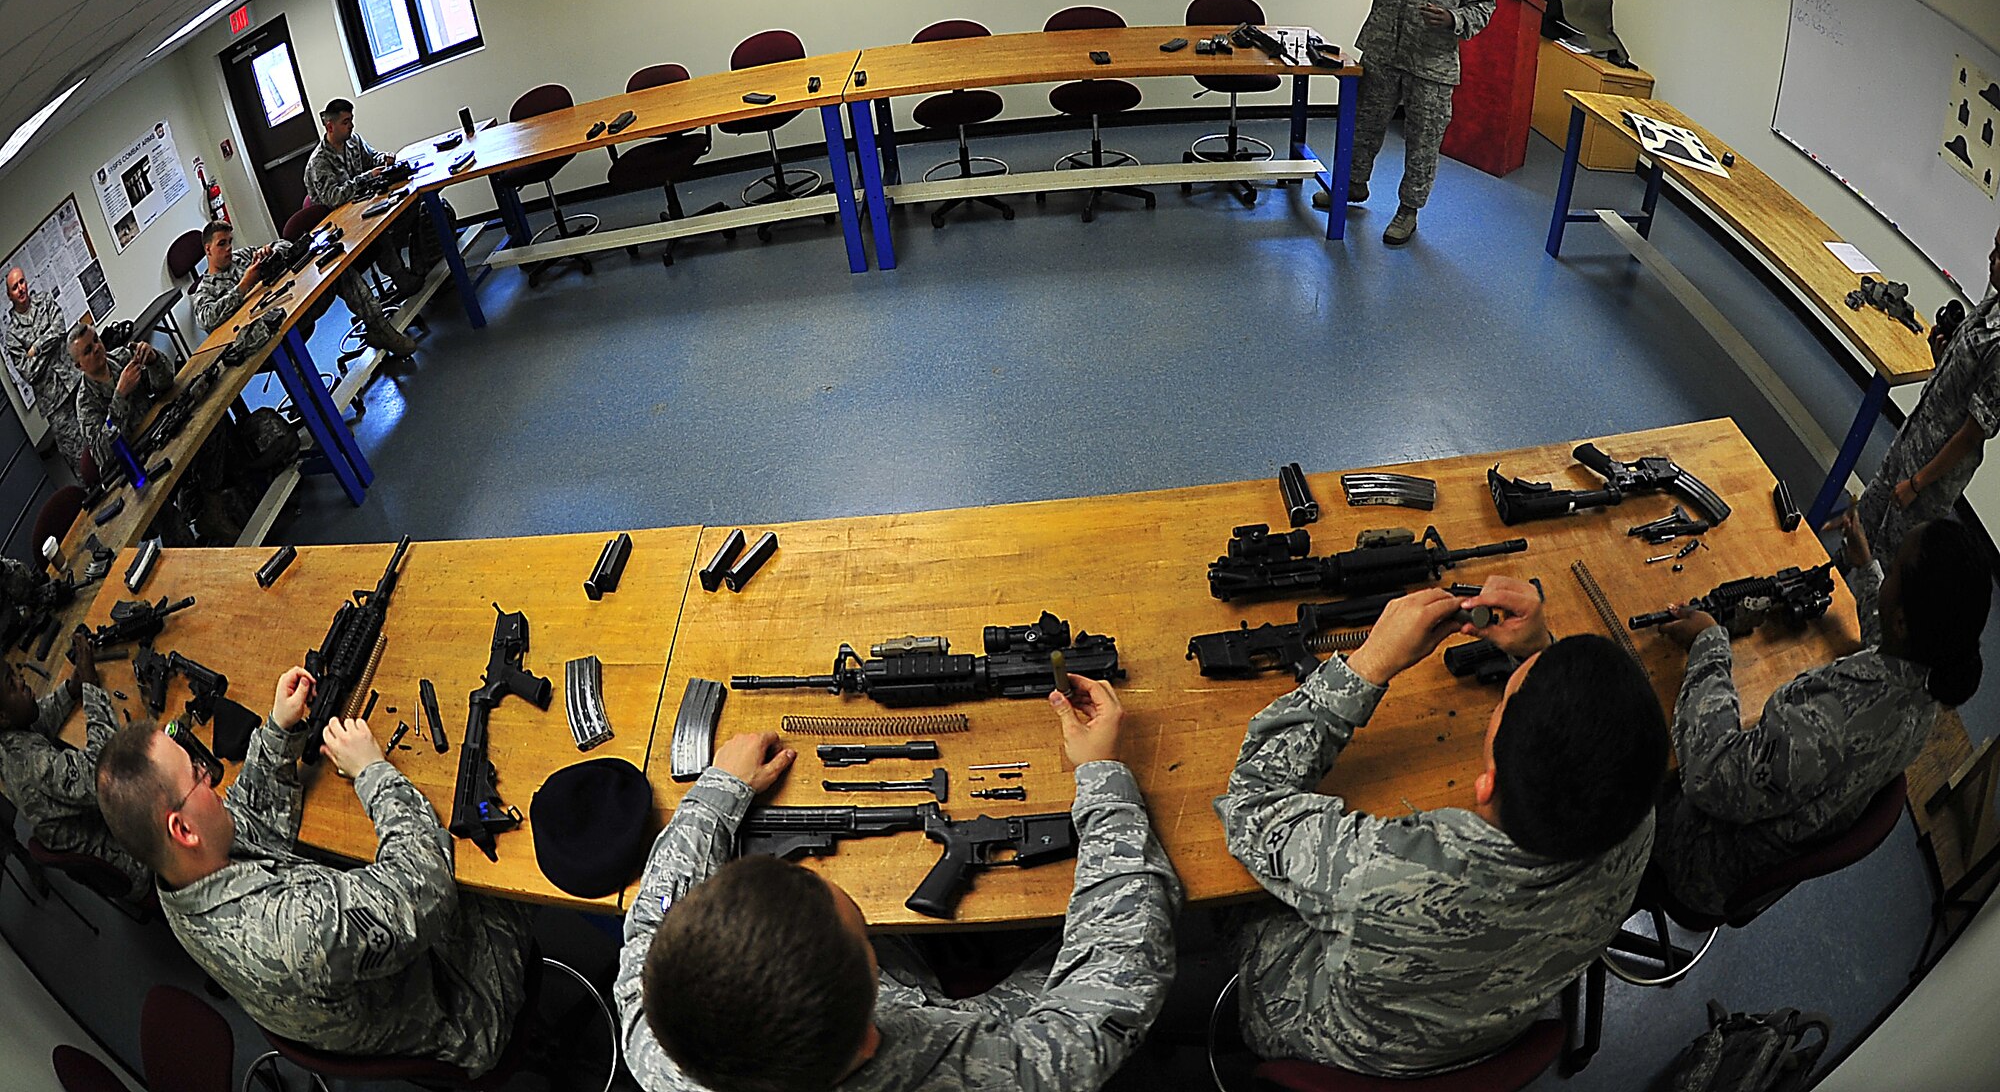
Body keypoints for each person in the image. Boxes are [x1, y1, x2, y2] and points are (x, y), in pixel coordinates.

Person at [619, 673, 1180, 1092]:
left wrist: (718, 790)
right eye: (865, 937)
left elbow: (651, 921)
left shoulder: (658, 1053)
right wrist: (1103, 779)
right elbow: (1118, 970)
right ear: (873, 1018)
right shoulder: (1003, 1072)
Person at [1217, 580, 1668, 1077]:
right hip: (1499, 1020)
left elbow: (1252, 800)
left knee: (1238, 905)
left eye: (1502, 704)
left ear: (1486, 784)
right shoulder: (1635, 817)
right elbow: (1598, 743)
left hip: (1349, 1042)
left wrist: (1370, 663)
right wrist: (1538, 651)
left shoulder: (1382, 872)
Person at [93, 666, 533, 1074]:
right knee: (503, 844)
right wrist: (372, 770)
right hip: (462, 1002)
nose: (210, 775)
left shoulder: (179, 877)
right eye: (197, 773)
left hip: (383, 978)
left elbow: (247, 822)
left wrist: (278, 731)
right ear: (184, 829)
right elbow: (425, 886)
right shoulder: (292, 930)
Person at [1648, 513, 1987, 915]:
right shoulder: (1928, 687)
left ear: (1902, 621)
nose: (1888, 569)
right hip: (1773, 824)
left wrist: (1708, 644)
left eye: (1894, 567)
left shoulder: (1827, 723)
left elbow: (1709, 773)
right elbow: (1887, 642)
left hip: (1699, 857)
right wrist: (1866, 568)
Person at [1313, 0, 1495, 247]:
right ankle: (1351, 186)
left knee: (1423, 139)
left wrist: (1453, 18)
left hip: (1432, 63)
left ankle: (1408, 211)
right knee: (1363, 127)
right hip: (1383, 50)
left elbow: (1484, 6)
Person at [1854, 225, 2000, 562]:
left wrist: (1917, 484)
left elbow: (1971, 436)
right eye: (1995, 246)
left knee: (1890, 559)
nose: (1991, 257)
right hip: (1912, 440)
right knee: (1862, 526)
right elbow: (1961, 385)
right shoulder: (1992, 305)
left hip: (1930, 478)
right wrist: (1941, 360)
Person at [0, 628, 148, 900]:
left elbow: (35, 719)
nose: (23, 681)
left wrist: (72, 688)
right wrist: (91, 687)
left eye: (16, 674)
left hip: (108, 824)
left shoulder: (9, 740)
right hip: (136, 857)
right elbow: (104, 770)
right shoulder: (32, 765)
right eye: (12, 684)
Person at [194, 215, 416, 358]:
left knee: (340, 272)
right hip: (266, 335)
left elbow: (284, 244)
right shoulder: (205, 289)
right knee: (282, 341)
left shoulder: (242, 257)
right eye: (221, 244)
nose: (228, 248)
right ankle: (315, 405)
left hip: (292, 308)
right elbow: (207, 319)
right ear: (208, 249)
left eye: (230, 242)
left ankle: (380, 329)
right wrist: (244, 285)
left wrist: (272, 251)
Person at [304, 97, 423, 297]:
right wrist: (367, 177)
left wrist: (384, 159)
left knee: (412, 203)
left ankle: (419, 264)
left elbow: (372, 158)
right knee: (378, 226)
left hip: (364, 205)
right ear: (330, 127)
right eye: (346, 122)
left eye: (351, 120)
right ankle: (399, 276)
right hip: (341, 224)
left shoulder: (353, 141)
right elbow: (334, 198)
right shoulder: (319, 162)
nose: (351, 125)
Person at [3, 267, 88, 471]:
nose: (21, 289)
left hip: (75, 379)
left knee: (99, 431)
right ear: (9, 295)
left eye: (22, 282)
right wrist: (50, 344)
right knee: (78, 457)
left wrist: (36, 348)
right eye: (15, 287)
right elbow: (29, 373)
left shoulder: (45, 301)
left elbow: (60, 330)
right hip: (54, 403)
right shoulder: (12, 336)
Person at [67, 320, 173, 471]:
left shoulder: (123, 357)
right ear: (79, 366)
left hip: (160, 431)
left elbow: (165, 386)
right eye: (88, 350)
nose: (96, 348)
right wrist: (120, 396)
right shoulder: (85, 403)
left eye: (96, 340)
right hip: (137, 461)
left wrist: (153, 360)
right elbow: (102, 455)